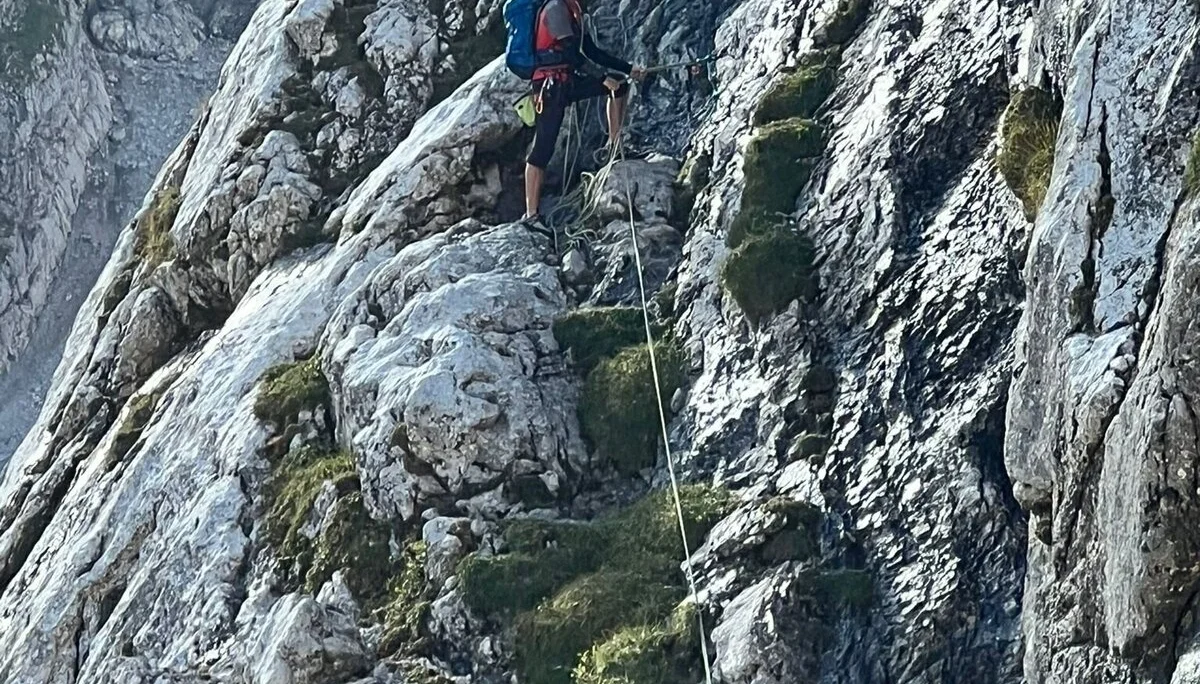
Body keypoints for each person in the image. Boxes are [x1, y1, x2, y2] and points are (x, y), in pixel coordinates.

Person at [522, 0, 644, 228]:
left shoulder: (574, 10)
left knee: (619, 85)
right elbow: (570, 54)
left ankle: (613, 146)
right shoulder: (556, 9)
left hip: (564, 82)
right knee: (542, 150)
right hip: (549, 88)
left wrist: (628, 69)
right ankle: (531, 215)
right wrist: (600, 76)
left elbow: (591, 52)